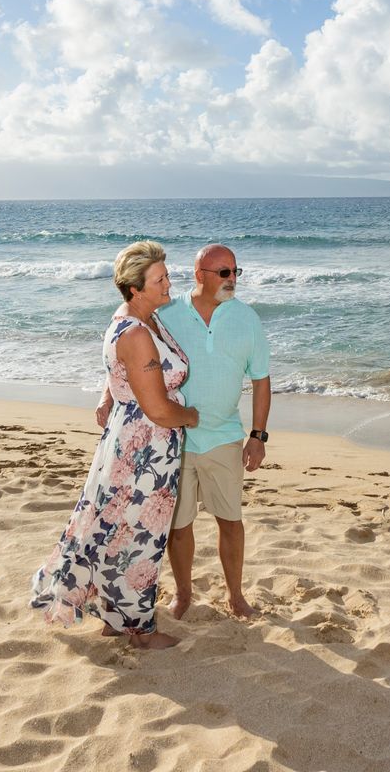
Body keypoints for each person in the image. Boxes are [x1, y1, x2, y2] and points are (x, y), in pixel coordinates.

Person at [31, 240, 200, 650]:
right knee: (140, 535)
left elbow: (120, 376)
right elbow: (159, 409)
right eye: (159, 279)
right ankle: (140, 632)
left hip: (136, 441)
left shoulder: (139, 319)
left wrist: (109, 398)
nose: (168, 283)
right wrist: (192, 417)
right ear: (134, 288)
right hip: (144, 449)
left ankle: (115, 619)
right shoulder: (138, 333)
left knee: (122, 528)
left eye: (166, 274)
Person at [150, 243, 271, 619]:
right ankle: (183, 594)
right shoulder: (166, 313)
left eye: (235, 272)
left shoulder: (246, 318)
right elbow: (132, 356)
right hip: (175, 438)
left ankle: (235, 596)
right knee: (179, 524)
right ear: (198, 274)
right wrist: (108, 396)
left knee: (230, 521)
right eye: (224, 273)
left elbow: (262, 380)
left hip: (224, 437)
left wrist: (258, 435)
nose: (232, 280)